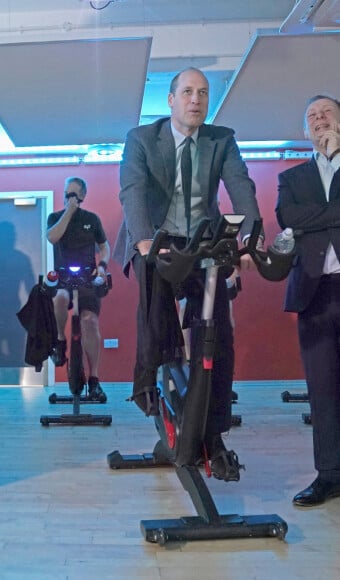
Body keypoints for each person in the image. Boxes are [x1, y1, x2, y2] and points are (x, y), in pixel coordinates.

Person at [116, 67, 262, 482]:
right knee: (156, 313)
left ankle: (214, 428)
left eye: (202, 93)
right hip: (159, 240)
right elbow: (133, 189)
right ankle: (148, 383)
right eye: (187, 92)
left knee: (217, 332)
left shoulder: (221, 140)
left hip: (203, 241)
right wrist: (145, 240)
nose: (195, 100)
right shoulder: (143, 139)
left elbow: (242, 187)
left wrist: (248, 239)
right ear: (171, 100)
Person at [276, 94, 340, 507]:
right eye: (311, 117)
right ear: (304, 132)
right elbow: (289, 219)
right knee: (322, 389)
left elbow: (307, 220)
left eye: (327, 113)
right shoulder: (292, 178)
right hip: (315, 293)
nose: (319, 121)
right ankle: (330, 475)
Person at [47, 176, 111, 400]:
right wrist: (68, 212)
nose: (70, 198)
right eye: (67, 194)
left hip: (86, 278)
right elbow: (52, 237)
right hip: (63, 277)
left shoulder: (92, 219)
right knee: (59, 300)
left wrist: (102, 267)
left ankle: (94, 380)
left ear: (82, 196)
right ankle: (59, 341)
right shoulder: (55, 217)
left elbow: (104, 247)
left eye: (74, 195)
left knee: (89, 321)